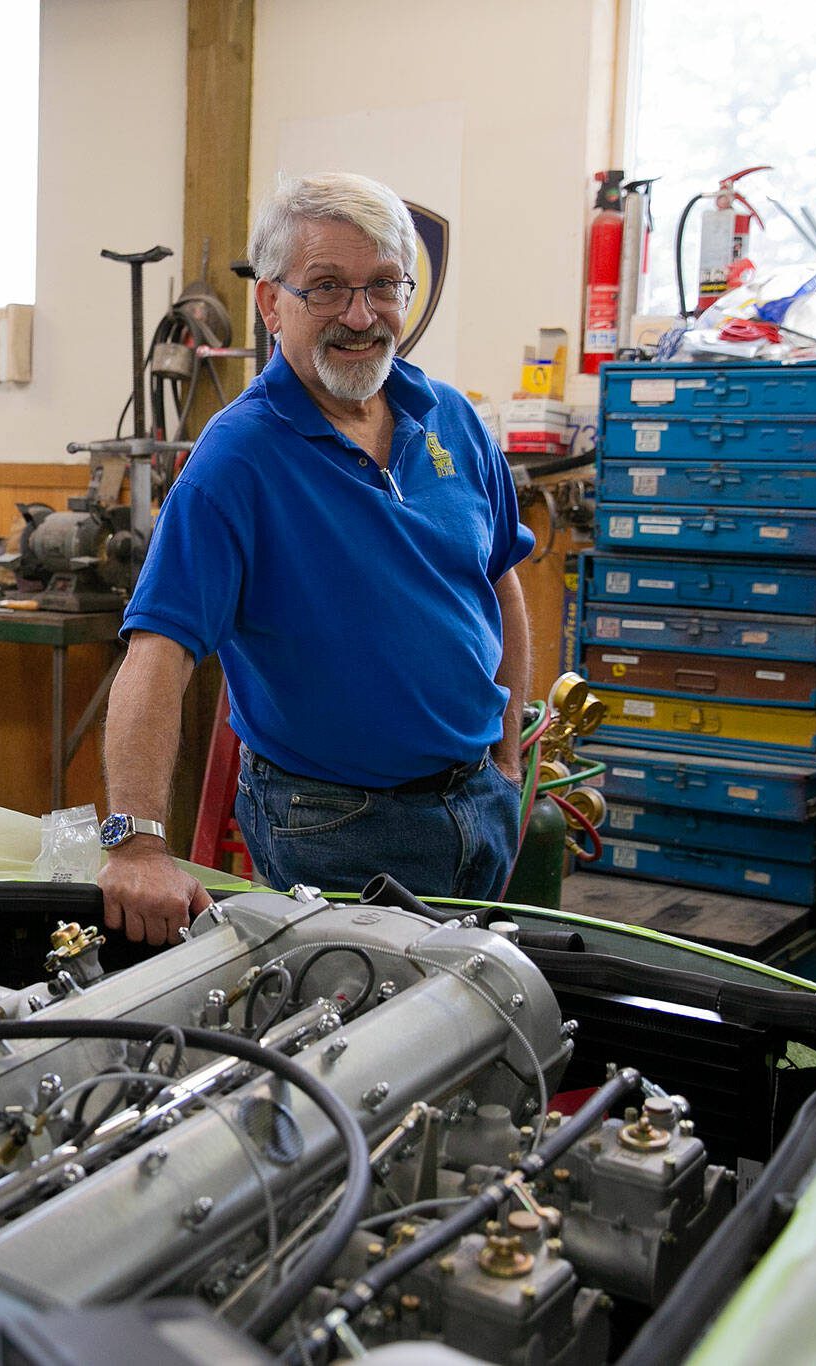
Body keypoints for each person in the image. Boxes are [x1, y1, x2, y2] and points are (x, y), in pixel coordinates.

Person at [95, 172, 534, 946]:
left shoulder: (454, 419)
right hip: (337, 827)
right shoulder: (238, 459)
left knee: (470, 1029)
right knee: (358, 1048)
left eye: (382, 286)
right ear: (272, 303)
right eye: (327, 288)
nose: (361, 316)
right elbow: (157, 656)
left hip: (480, 807)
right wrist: (136, 843)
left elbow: (500, 581)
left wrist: (504, 758)